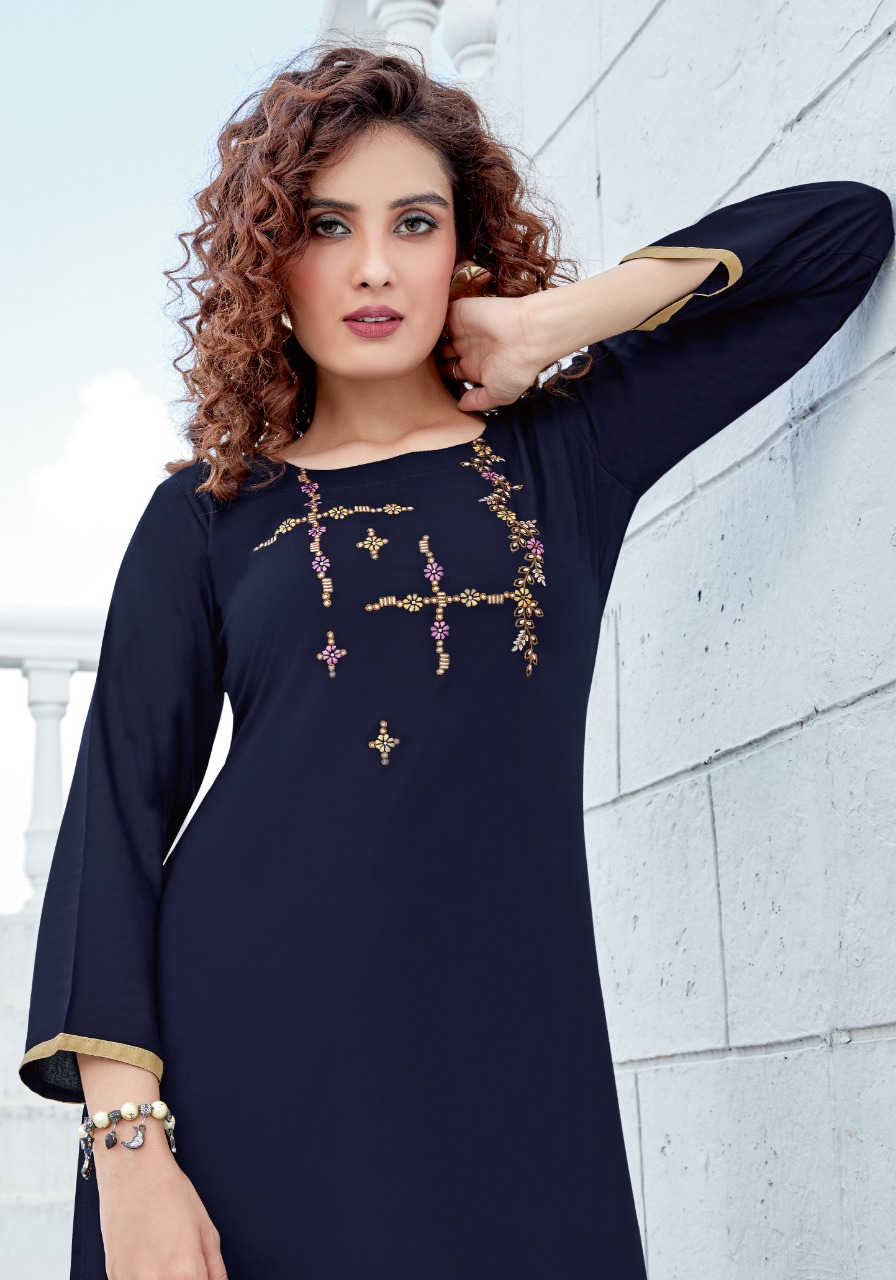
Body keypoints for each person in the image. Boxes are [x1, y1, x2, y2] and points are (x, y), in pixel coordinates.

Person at [17, 38, 893, 1280]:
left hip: (507, 1066)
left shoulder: (564, 453)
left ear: (461, 250)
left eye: (414, 223)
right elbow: (112, 816)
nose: (374, 265)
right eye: (326, 224)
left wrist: (549, 323)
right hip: (239, 1073)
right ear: (269, 258)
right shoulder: (206, 516)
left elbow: (839, 234)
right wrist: (129, 1146)